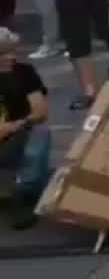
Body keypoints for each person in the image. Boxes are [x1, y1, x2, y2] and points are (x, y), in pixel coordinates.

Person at [0, 29, 52, 230]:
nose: (11, 57)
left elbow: (40, 110)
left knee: (40, 132)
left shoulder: (24, 72)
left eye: (12, 51)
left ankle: (22, 192)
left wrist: (15, 125)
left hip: (17, 135)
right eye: (4, 54)